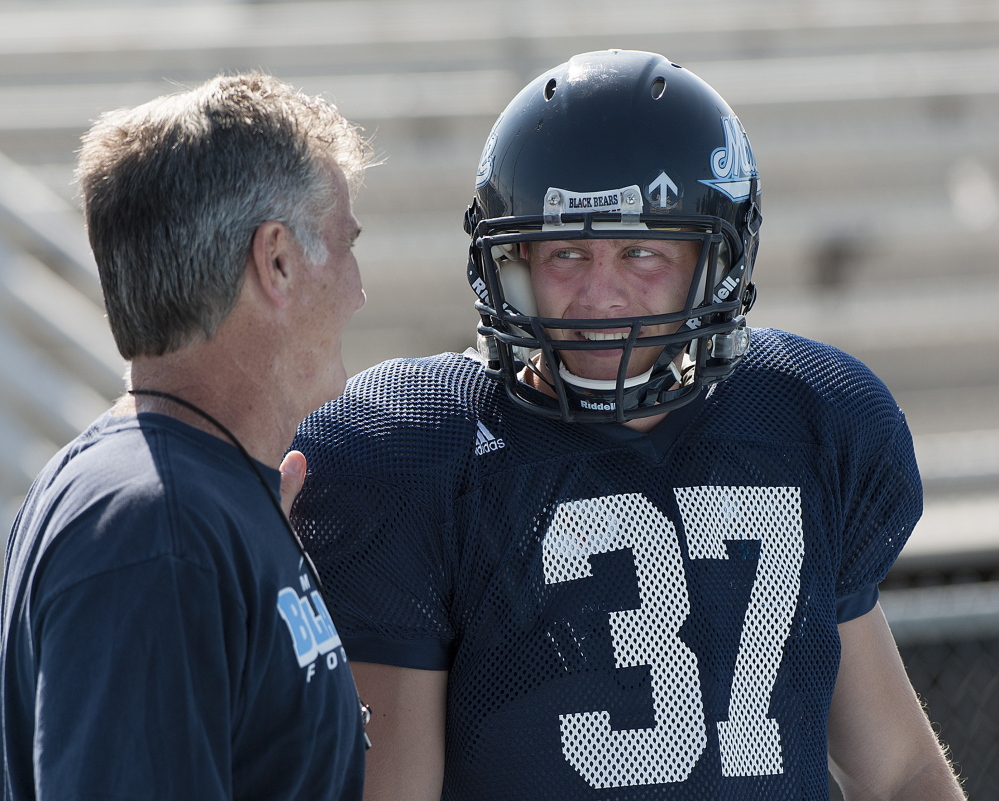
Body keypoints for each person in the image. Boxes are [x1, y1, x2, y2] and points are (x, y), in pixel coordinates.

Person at [289, 50, 965, 800]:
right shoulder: (421, 448)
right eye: (565, 252)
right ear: (507, 262)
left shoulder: (803, 418)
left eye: (640, 251)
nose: (598, 293)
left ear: (720, 260)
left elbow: (902, 770)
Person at [1, 73, 373, 800]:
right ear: (277, 261)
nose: (360, 288)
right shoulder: (153, 526)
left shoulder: (188, 499)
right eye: (344, 243)